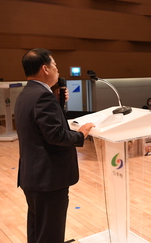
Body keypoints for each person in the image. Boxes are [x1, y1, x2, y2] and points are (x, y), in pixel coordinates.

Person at [14, 48, 95, 243]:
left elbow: (42, 129)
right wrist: (80, 134)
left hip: (33, 177)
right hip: (48, 180)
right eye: (55, 65)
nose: (58, 70)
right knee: (50, 234)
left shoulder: (27, 93)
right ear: (45, 69)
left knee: (38, 230)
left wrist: (58, 104)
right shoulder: (43, 96)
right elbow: (55, 134)